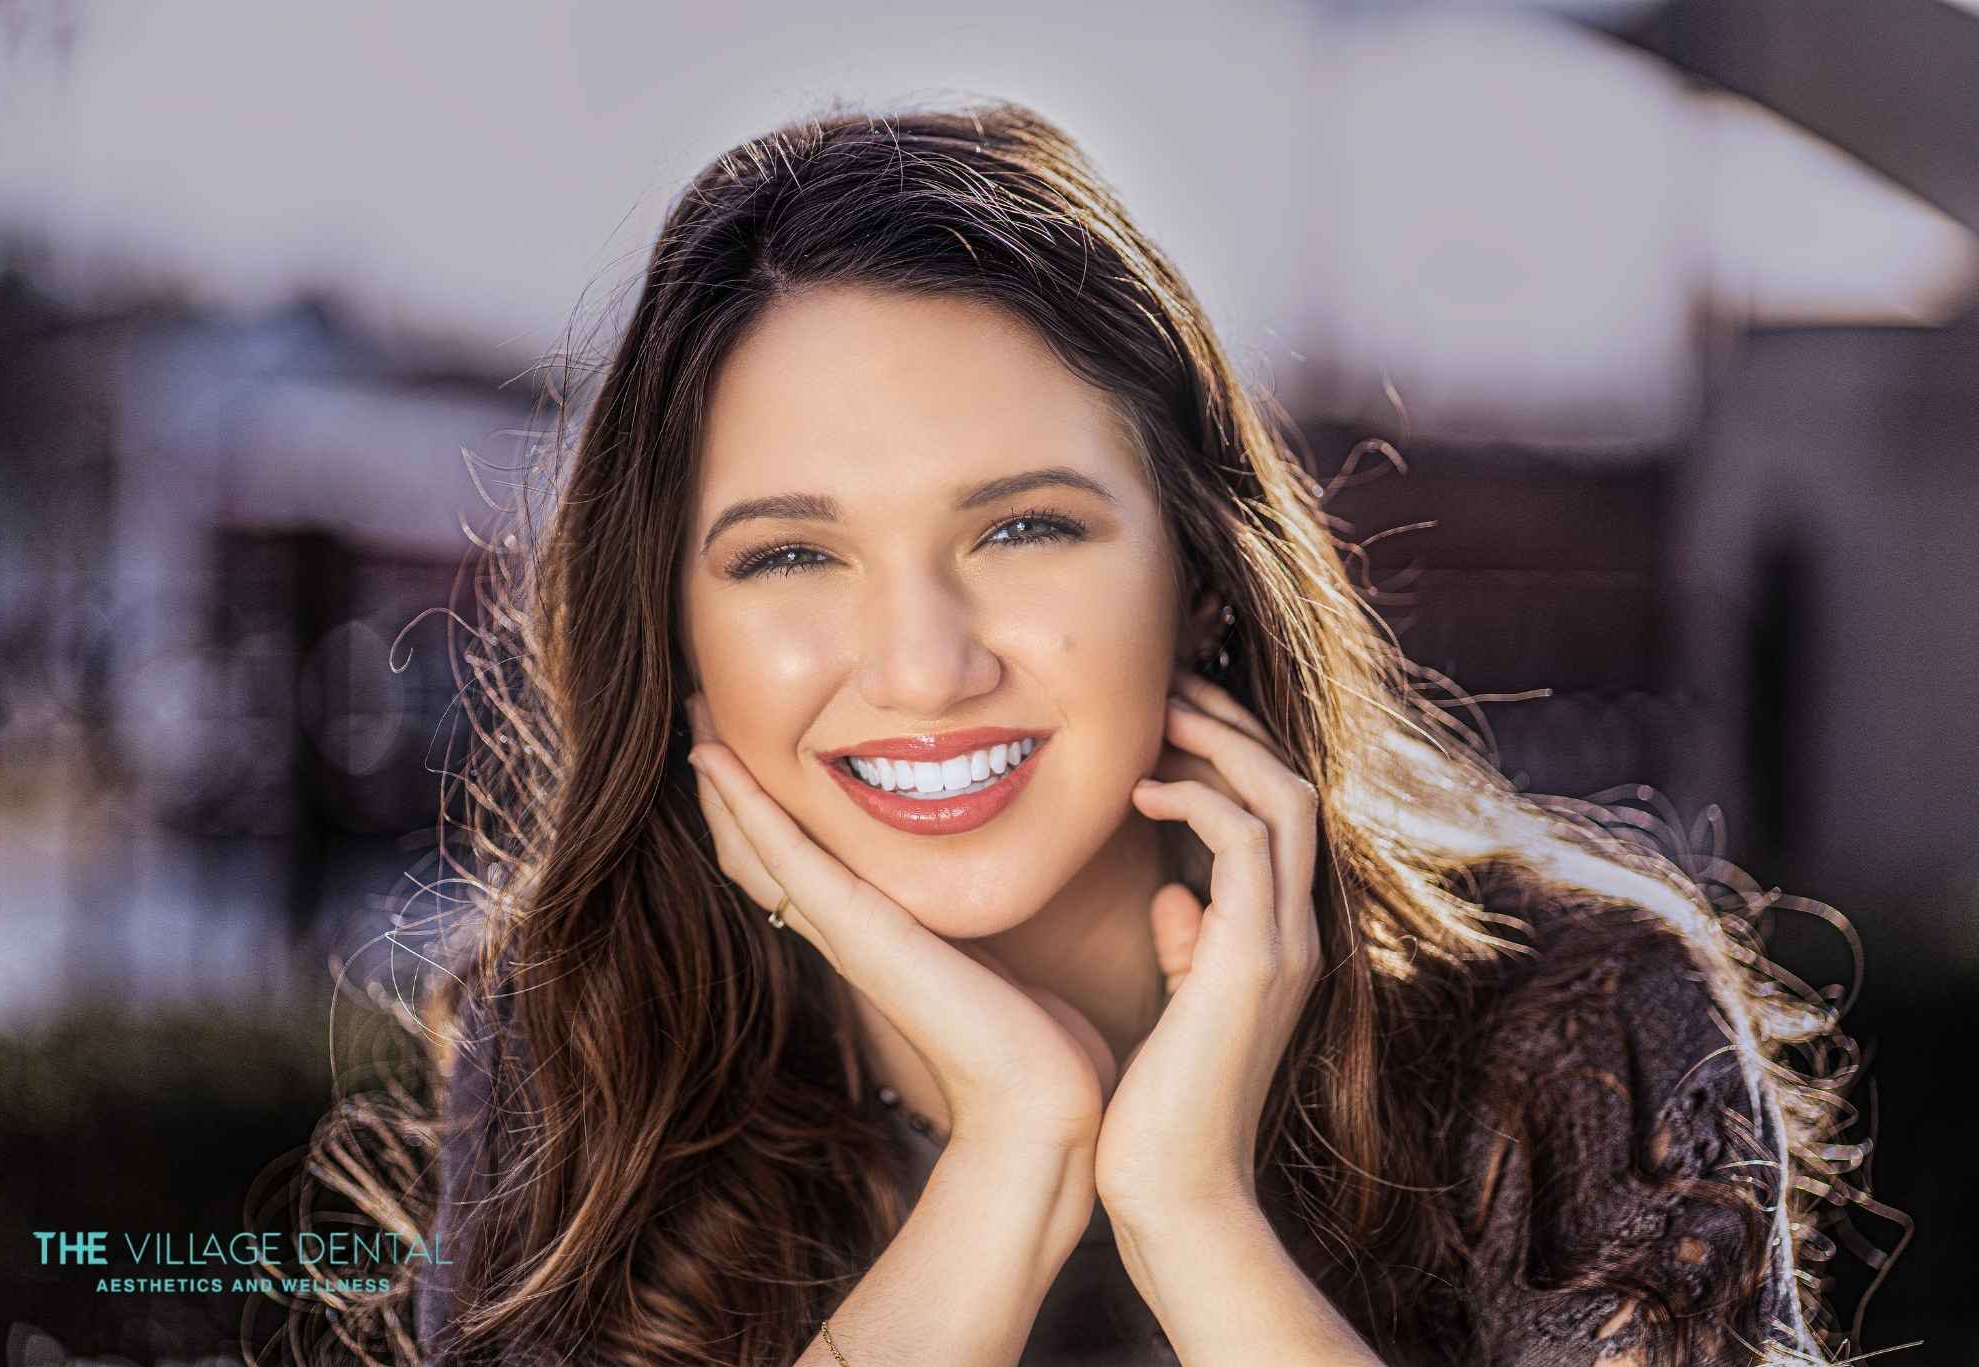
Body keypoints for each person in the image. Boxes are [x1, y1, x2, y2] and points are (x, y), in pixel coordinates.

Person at [316, 101, 1883, 1365]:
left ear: (1201, 570)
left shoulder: (1578, 1026)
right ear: (675, 635)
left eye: (1025, 530)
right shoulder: (592, 1028)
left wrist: (1189, 1211)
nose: (924, 668)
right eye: (791, 553)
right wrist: (1012, 1148)